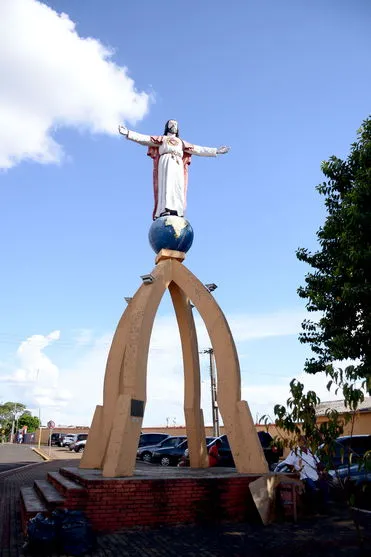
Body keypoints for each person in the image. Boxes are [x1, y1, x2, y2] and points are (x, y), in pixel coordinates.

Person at [118, 120, 230, 219]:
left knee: (178, 187)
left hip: (178, 164)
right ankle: (164, 209)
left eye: (176, 124)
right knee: (166, 185)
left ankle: (178, 210)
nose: (174, 125)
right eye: (171, 123)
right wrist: (128, 133)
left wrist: (216, 151)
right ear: (167, 126)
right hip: (166, 162)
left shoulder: (182, 143)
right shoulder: (162, 139)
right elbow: (144, 139)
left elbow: (198, 149)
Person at [284, 436, 329, 511]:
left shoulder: (310, 451)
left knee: (325, 487)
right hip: (304, 476)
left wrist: (323, 469)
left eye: (305, 441)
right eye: (302, 441)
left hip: (315, 476)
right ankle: (314, 511)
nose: (304, 442)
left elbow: (318, 463)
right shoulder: (295, 452)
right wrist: (295, 471)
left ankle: (324, 509)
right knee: (313, 490)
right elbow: (288, 463)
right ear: (298, 442)